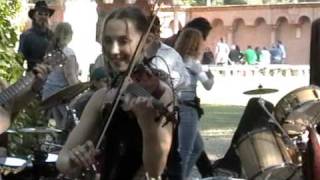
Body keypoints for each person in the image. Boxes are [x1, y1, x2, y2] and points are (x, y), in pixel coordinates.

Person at [56, 6, 175, 180]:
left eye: (123, 41)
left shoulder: (160, 93)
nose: (113, 50)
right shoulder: (103, 96)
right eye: (108, 41)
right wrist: (73, 160)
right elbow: (62, 160)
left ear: (147, 41)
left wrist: (147, 125)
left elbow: (154, 172)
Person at [174, 28, 214, 179]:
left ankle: (182, 176)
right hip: (188, 108)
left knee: (197, 147)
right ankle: (179, 177)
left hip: (178, 107)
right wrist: (211, 76)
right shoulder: (193, 63)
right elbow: (208, 85)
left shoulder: (176, 59)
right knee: (186, 150)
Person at [41, 22, 79, 134]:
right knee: (69, 127)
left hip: (48, 94)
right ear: (70, 35)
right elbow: (70, 75)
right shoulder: (68, 52)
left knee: (56, 128)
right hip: (62, 95)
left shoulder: (51, 51)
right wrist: (79, 91)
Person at [18, 1, 55, 71]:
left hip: (51, 78)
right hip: (32, 76)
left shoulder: (53, 36)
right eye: (40, 14)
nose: (43, 17)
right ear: (34, 16)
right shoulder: (26, 36)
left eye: (46, 14)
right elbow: (19, 61)